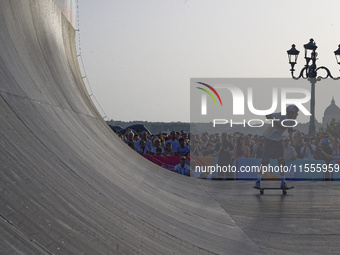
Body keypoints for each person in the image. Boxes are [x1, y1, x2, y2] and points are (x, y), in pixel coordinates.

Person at [254, 105, 299, 189]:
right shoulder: (281, 115)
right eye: (296, 113)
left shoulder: (292, 121)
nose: (297, 115)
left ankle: (283, 182)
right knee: (265, 162)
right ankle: (258, 181)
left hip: (278, 140)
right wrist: (273, 119)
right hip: (269, 139)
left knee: (281, 162)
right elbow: (268, 116)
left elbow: (290, 128)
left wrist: (291, 137)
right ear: (290, 113)